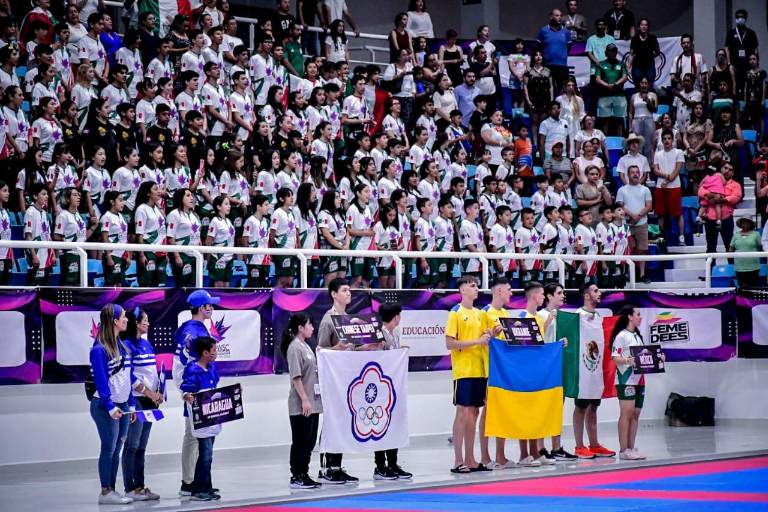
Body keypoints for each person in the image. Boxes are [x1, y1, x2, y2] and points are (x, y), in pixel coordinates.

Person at [173, 289, 220, 497]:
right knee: (194, 435)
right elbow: (197, 362)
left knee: (193, 435)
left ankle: (195, 481)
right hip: (195, 386)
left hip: (191, 384)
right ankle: (192, 482)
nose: (212, 308)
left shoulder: (187, 328)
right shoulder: (197, 331)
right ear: (202, 308)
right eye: (210, 305)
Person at [446, 276, 494, 474]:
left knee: (474, 413)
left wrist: (494, 332)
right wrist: (476, 341)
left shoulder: (480, 314)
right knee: (463, 412)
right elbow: (450, 343)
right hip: (463, 370)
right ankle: (458, 461)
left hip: (480, 370)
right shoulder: (455, 313)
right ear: (462, 290)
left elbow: (489, 334)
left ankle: (471, 459)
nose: (476, 289)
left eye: (476, 286)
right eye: (472, 286)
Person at [316, 277, 361, 484]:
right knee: (332, 423)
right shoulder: (328, 320)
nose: (348, 293)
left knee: (343, 422)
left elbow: (351, 348)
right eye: (344, 290)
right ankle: (326, 467)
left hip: (347, 379)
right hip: (332, 380)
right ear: (334, 294)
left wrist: (366, 347)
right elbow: (321, 350)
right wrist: (338, 349)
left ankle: (337, 466)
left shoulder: (348, 319)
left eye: (349, 290)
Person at [88, 304, 134, 504]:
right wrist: (109, 406)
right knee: (108, 447)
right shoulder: (99, 349)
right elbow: (101, 380)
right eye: (124, 317)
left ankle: (112, 490)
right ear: (114, 321)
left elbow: (127, 378)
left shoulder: (122, 345)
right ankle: (105, 491)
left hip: (122, 404)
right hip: (105, 405)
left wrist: (130, 404)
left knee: (117, 448)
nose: (127, 319)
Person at [121, 307, 163, 502]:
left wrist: (159, 394)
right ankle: (130, 488)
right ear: (136, 323)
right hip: (136, 400)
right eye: (144, 320)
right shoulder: (127, 344)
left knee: (142, 447)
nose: (148, 323)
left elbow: (152, 373)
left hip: (150, 401)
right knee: (132, 445)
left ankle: (140, 486)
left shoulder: (146, 344)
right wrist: (148, 392)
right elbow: (129, 377)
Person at [572, 284, 616, 459]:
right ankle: (579, 446)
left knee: (594, 407)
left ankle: (595, 444)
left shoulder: (598, 316)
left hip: (595, 370)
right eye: (596, 291)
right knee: (581, 407)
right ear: (586, 295)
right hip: (582, 370)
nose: (600, 293)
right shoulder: (577, 315)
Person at [281, 313, 323, 489]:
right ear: (300, 327)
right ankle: (297, 475)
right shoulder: (294, 348)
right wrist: (305, 399)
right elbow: (296, 378)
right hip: (301, 405)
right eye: (310, 325)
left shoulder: (306, 346)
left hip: (313, 403)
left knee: (310, 441)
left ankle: (304, 472)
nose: (312, 328)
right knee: (301, 440)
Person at [372, 302, 413, 479]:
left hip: (394, 387)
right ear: (396, 316)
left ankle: (393, 463)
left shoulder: (395, 333)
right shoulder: (379, 334)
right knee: (380, 425)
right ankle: (380, 465)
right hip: (380, 387)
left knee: (393, 425)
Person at [537, 283, 577, 460]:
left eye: (563, 293)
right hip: (543, 369)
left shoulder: (561, 316)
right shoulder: (541, 315)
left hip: (557, 367)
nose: (563, 296)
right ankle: (539, 447)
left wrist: (561, 343)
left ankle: (556, 446)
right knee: (542, 407)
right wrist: (548, 322)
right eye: (559, 293)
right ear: (549, 296)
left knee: (556, 408)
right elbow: (536, 339)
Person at [477, 277, 514, 468]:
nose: (511, 293)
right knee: (487, 411)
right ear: (499, 291)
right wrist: (492, 334)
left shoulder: (506, 313)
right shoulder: (484, 313)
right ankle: (485, 456)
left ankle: (501, 455)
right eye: (508, 290)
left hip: (504, 369)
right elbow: (481, 339)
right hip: (489, 369)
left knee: (503, 411)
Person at [180, 336, 222, 502]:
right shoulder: (192, 370)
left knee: (209, 454)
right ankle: (197, 489)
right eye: (214, 351)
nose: (216, 353)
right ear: (205, 353)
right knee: (205, 454)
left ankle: (206, 486)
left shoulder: (211, 368)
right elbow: (186, 390)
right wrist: (187, 396)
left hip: (212, 417)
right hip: (200, 420)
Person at [610, 305, 651, 460]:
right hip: (625, 378)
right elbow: (615, 357)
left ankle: (631, 447)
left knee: (636, 413)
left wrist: (658, 358)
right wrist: (628, 360)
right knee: (626, 413)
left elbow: (645, 356)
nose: (640, 317)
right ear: (630, 316)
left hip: (640, 378)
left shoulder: (638, 336)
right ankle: (623, 449)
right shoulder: (622, 336)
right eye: (638, 314)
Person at [698, 161, 742, 262]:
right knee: (710, 247)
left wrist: (721, 199)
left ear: (733, 173)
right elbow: (700, 190)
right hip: (710, 219)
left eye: (730, 170)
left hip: (726, 219)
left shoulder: (736, 185)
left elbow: (736, 197)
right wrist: (711, 195)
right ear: (721, 169)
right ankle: (710, 274)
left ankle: (732, 272)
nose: (727, 171)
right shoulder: (711, 178)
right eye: (725, 168)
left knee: (729, 246)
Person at [616, 166, 653, 283]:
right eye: (633, 172)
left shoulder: (645, 189)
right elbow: (620, 206)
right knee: (627, 249)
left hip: (642, 223)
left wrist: (638, 216)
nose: (635, 174)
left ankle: (642, 275)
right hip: (626, 224)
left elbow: (649, 206)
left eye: (637, 172)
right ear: (628, 174)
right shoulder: (622, 190)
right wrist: (632, 216)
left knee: (643, 250)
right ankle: (627, 273)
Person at [653, 129, 685, 244]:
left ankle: (681, 237)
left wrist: (667, 180)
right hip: (660, 186)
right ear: (662, 140)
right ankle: (661, 236)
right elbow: (655, 170)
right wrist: (666, 176)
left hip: (674, 186)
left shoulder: (679, 152)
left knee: (677, 213)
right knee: (660, 214)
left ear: (673, 140)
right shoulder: (657, 154)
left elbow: (676, 170)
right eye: (665, 139)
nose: (667, 141)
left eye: (669, 138)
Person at [724, 9, 759, 97]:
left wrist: (756, 63)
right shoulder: (731, 33)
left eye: (742, 17)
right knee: (735, 85)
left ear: (745, 18)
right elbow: (727, 48)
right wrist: (729, 63)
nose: (740, 19)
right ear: (735, 18)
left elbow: (755, 49)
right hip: (735, 64)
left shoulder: (751, 33)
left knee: (748, 85)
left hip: (748, 64)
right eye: (738, 17)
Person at [595, 43, 628, 136]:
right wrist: (606, 85)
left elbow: (625, 77)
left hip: (619, 95)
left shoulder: (621, 64)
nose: (613, 53)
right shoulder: (601, 64)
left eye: (615, 51)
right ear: (606, 53)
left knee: (620, 119)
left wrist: (615, 84)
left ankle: (620, 142)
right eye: (611, 51)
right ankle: (604, 142)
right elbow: (597, 78)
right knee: (604, 120)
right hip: (604, 95)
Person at [538, 8, 569, 95]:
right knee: (546, 88)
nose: (559, 17)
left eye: (561, 15)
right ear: (551, 17)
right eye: (557, 15)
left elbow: (569, 47)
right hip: (547, 65)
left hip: (562, 65)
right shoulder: (543, 30)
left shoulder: (566, 32)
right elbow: (539, 47)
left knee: (563, 89)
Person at [628, 78, 657, 162]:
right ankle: (637, 165)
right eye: (642, 83)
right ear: (639, 84)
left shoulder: (653, 95)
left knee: (649, 145)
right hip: (636, 121)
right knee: (637, 144)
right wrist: (630, 127)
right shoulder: (634, 96)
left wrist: (648, 101)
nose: (644, 85)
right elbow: (630, 112)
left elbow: (655, 109)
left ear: (648, 85)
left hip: (648, 120)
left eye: (646, 83)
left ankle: (649, 167)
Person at [730, 215, 762, 288]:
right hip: (739, 266)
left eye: (747, 222)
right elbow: (731, 248)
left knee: (754, 288)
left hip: (753, 266)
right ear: (741, 224)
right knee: (743, 288)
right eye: (743, 222)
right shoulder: (736, 235)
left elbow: (760, 247)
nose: (745, 224)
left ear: (750, 224)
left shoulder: (756, 234)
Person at [627, 18, 659, 87]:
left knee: (649, 87)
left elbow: (658, 52)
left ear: (648, 27)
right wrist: (628, 66)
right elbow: (631, 54)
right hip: (637, 67)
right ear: (639, 26)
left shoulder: (652, 38)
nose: (644, 27)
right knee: (638, 87)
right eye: (642, 25)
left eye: (646, 25)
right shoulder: (634, 39)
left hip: (649, 67)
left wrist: (651, 57)